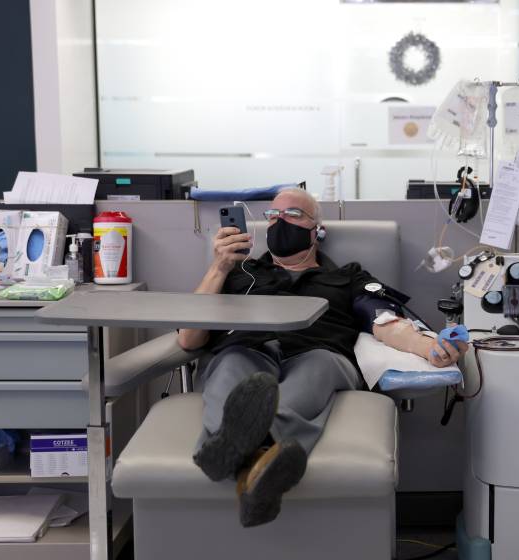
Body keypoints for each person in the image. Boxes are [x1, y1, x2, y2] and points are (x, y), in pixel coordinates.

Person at [177, 187, 466, 527]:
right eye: (273, 216)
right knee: (230, 363)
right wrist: (219, 266)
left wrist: (429, 349)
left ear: (317, 230)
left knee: (317, 367)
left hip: (318, 351)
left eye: (293, 214)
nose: (280, 221)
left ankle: (230, 450)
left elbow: (385, 323)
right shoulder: (242, 273)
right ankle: (256, 462)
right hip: (248, 347)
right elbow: (188, 338)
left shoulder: (347, 277)